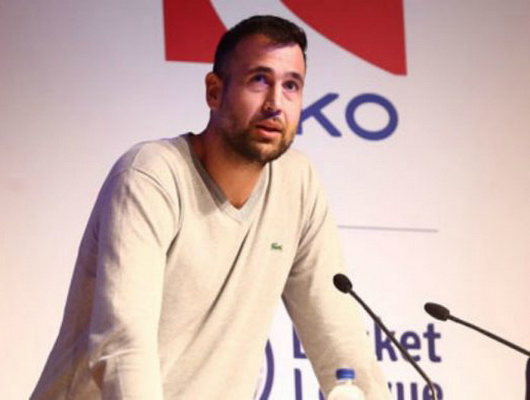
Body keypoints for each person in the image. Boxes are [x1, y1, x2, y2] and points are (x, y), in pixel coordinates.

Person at [31, 15, 390, 399]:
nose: (275, 104)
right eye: (259, 80)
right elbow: (123, 345)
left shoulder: (297, 182)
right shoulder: (151, 175)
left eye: (291, 86)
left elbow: (338, 336)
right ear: (214, 91)